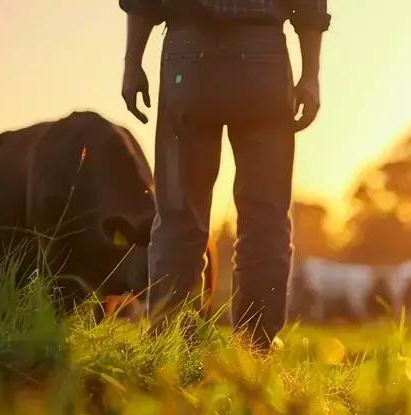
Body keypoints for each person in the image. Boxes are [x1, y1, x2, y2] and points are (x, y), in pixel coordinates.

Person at [120, 0, 330, 351]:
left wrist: (132, 63)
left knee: (178, 213)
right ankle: (255, 347)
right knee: (265, 214)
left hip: (187, 55)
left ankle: (171, 345)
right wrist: (310, 74)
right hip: (263, 56)